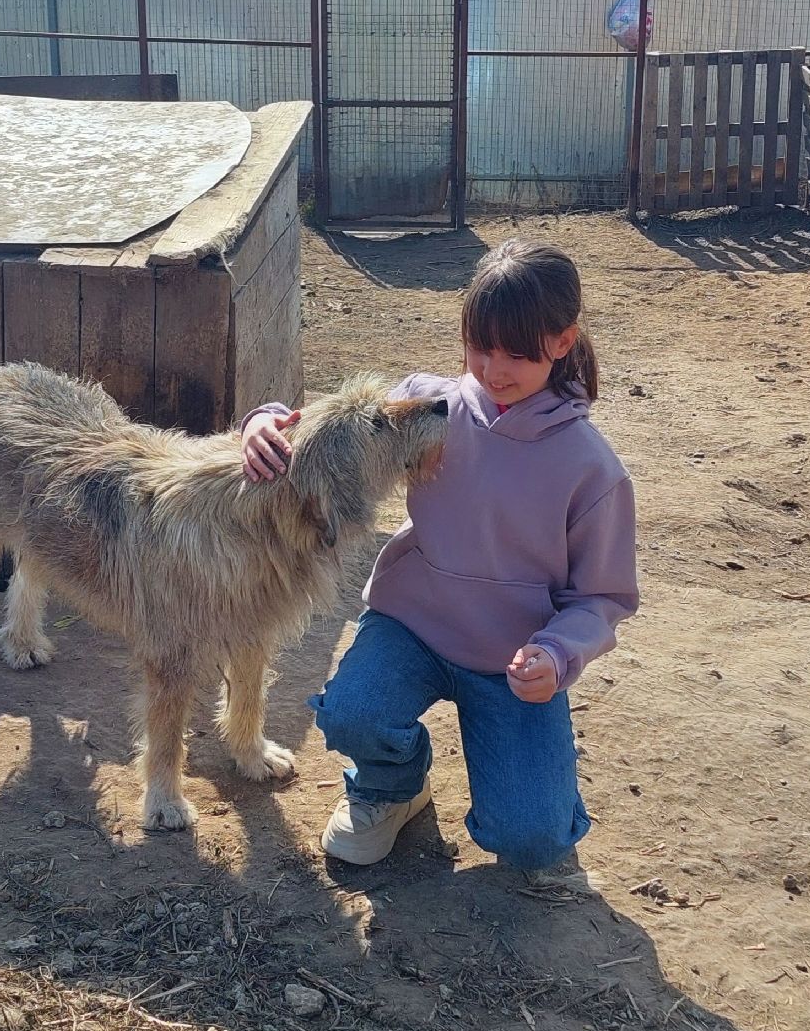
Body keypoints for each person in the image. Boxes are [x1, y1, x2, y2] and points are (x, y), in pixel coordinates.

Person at [241, 238, 639, 881]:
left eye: (517, 354)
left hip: (513, 660)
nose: (493, 370)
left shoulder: (592, 469)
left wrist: (557, 654)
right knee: (351, 713)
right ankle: (391, 787)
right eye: (480, 347)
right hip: (412, 628)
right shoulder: (429, 408)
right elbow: (327, 428)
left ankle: (535, 796)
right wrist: (263, 424)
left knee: (532, 842)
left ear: (563, 342)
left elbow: (603, 598)